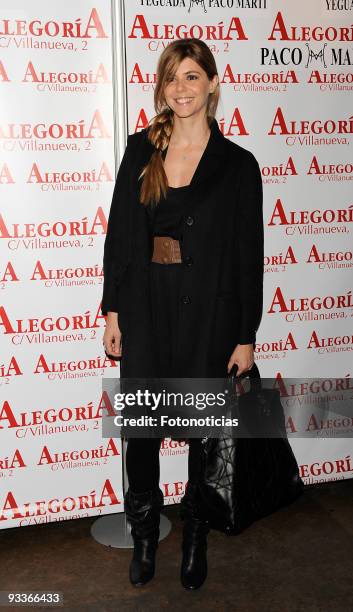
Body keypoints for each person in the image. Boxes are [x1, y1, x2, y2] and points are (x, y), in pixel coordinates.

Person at [101, 38, 264, 590]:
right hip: (146, 314)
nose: (181, 88)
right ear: (162, 87)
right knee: (142, 434)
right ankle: (145, 537)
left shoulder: (240, 167)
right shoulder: (139, 150)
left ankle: (196, 534)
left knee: (204, 438)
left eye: (192, 77)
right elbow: (119, 237)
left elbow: (249, 256)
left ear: (213, 85)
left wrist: (245, 335)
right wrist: (113, 310)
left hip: (209, 320)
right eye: (172, 78)